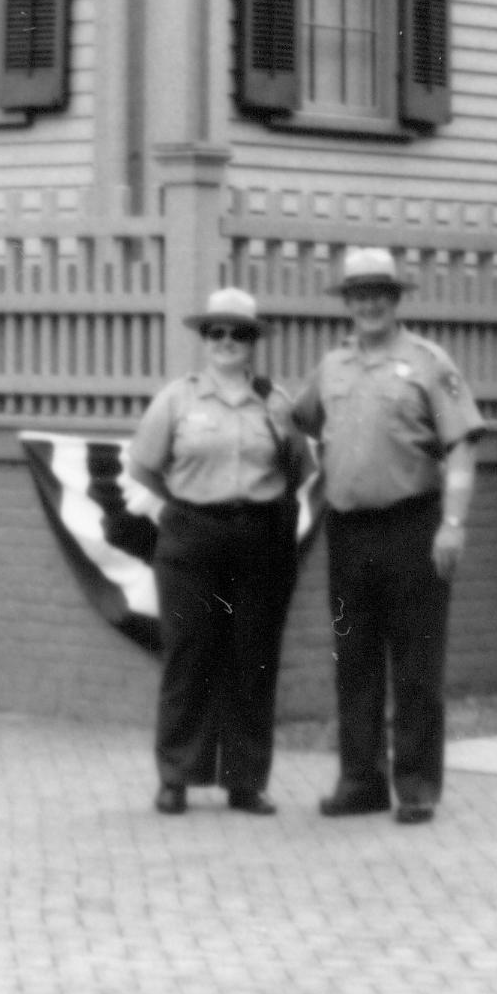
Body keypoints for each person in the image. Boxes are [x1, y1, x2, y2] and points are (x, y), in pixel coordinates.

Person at [289, 246, 484, 826]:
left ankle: (417, 785)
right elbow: (295, 423)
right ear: (346, 302)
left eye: (380, 292)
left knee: (417, 660)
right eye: (358, 294)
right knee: (353, 657)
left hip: (413, 527)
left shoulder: (428, 362)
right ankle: (361, 781)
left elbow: (464, 443)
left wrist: (453, 524)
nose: (369, 303)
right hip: (348, 532)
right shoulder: (330, 369)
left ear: (396, 299)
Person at [124, 285, 309, 816]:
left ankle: (245, 779)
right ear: (205, 339)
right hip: (192, 538)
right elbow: (143, 467)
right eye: (217, 332)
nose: (227, 341)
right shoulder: (177, 399)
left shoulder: (277, 403)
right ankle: (176, 775)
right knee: (190, 652)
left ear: (253, 342)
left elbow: (298, 468)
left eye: (239, 333)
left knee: (253, 655)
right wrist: (187, 504)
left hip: (259, 539)